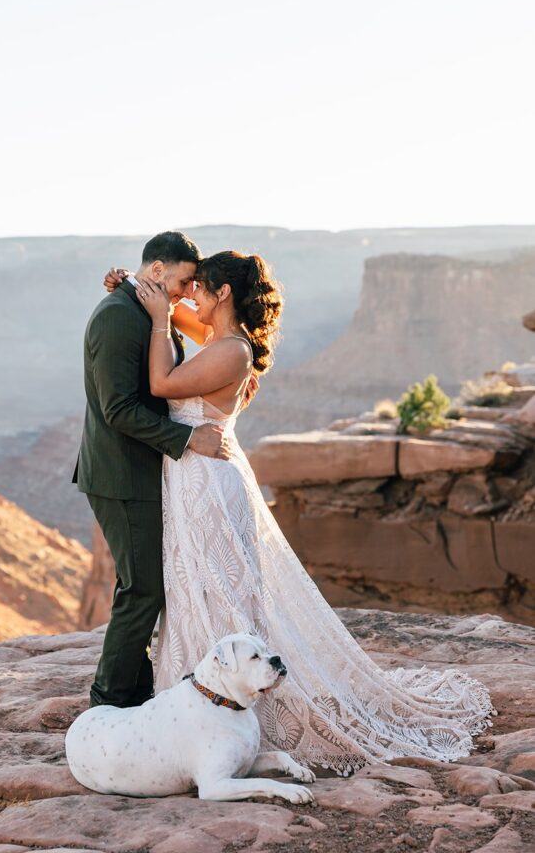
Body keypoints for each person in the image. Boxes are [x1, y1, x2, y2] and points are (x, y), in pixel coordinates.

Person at [103, 250, 495, 776]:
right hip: (191, 477)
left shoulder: (232, 351)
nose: (189, 293)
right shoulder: (219, 336)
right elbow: (175, 312)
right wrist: (132, 286)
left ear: (223, 293)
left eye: (199, 286)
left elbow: (161, 385)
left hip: (210, 484)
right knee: (195, 586)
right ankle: (203, 709)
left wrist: (154, 317)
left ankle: (245, 708)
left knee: (223, 588)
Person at [72, 230, 234, 710]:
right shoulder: (119, 316)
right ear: (158, 270)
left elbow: (206, 336)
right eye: (183, 281)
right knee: (142, 589)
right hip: (122, 474)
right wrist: (188, 438)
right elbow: (118, 409)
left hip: (146, 470)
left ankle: (136, 691)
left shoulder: (145, 306)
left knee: (148, 585)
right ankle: (108, 703)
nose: (186, 293)